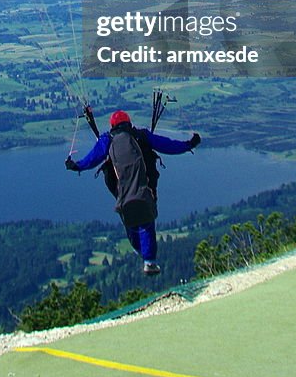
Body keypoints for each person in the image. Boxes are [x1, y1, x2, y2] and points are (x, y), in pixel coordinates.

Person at [66, 110, 200, 275]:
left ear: (113, 126)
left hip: (122, 195)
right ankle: (149, 261)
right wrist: (189, 144)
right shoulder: (142, 136)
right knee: (146, 223)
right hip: (145, 191)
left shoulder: (107, 140)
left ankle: (142, 253)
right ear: (129, 123)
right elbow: (167, 145)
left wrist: (76, 165)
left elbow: (93, 158)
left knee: (131, 222)